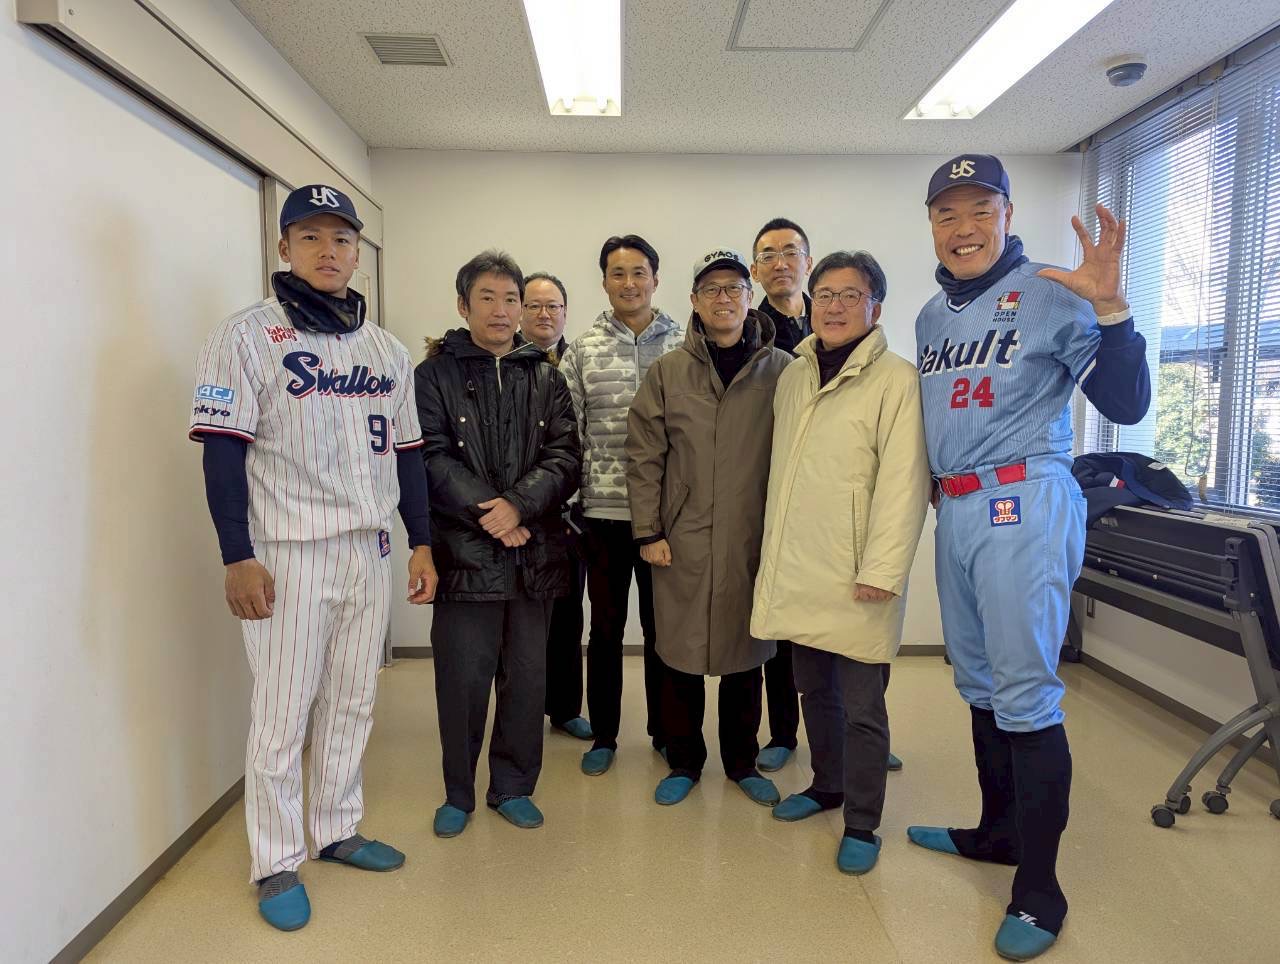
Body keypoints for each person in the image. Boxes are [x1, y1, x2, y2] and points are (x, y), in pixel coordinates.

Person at [906, 155, 1150, 961]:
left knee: (1025, 693)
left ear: (1007, 215)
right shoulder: (931, 317)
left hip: (1023, 498)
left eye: (981, 209)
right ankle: (997, 833)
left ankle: (1041, 891)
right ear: (932, 225)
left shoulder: (1051, 290)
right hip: (957, 507)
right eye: (947, 213)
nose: (964, 228)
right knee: (978, 682)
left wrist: (1111, 310)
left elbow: (1126, 404)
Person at [190, 184, 437, 932]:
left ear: (359, 252)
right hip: (287, 551)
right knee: (282, 712)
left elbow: (408, 456)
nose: (329, 252)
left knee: (354, 698)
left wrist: (422, 541)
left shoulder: (386, 349)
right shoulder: (244, 336)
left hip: (368, 547)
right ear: (284, 247)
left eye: (342, 239)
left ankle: (336, 827)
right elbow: (222, 453)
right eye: (311, 237)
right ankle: (274, 860)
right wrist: (237, 554)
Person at [752, 250, 929, 875]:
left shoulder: (897, 380)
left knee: (862, 707)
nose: (833, 306)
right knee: (813, 690)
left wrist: (883, 570)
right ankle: (826, 785)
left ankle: (863, 821)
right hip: (801, 563)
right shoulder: (794, 375)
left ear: (875, 307)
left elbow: (905, 484)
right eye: (824, 294)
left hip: (858, 572)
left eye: (850, 295)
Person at [416, 251, 580, 838]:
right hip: (465, 554)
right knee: (463, 681)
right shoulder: (433, 376)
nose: (502, 310)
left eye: (511, 299)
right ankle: (458, 793)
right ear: (464, 305)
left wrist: (519, 506)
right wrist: (493, 512)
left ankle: (512, 786)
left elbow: (566, 456)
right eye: (487, 297)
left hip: (534, 553)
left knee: (527, 680)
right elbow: (430, 456)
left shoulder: (546, 376)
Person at [626, 248, 792, 807]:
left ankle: (742, 761)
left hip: (753, 537)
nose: (724, 298)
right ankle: (684, 760)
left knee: (748, 655)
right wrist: (649, 532)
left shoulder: (782, 371)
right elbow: (644, 455)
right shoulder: (669, 372)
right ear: (694, 301)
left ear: (750, 297)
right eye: (712, 289)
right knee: (680, 654)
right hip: (684, 538)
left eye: (734, 288)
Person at [560, 236, 684, 777]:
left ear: (656, 278)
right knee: (606, 632)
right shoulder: (582, 350)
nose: (629, 283)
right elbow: (568, 435)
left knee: (664, 633)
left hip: (668, 519)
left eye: (639, 272)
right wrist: (572, 506)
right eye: (617, 273)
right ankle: (605, 735)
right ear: (604, 281)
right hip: (603, 516)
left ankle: (665, 732)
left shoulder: (685, 344)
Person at [520, 272, 592, 742]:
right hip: (520, 512)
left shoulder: (580, 360)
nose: (544, 314)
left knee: (567, 617)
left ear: (565, 312)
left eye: (554, 306)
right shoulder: (508, 363)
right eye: (534, 305)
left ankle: (565, 708)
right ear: (519, 311)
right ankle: (520, 711)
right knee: (520, 622)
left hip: (570, 515)